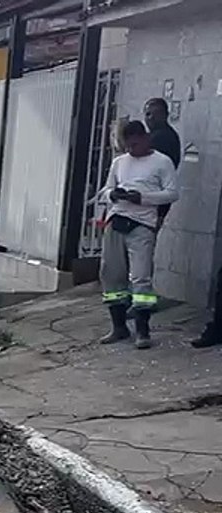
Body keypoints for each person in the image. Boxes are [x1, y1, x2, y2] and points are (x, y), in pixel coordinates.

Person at [96, 120, 179, 349]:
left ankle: (143, 330)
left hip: (142, 223)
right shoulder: (119, 162)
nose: (131, 150)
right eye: (127, 146)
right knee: (111, 274)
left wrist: (142, 198)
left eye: (134, 144)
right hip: (117, 220)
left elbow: (172, 193)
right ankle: (118, 326)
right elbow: (105, 190)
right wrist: (115, 194)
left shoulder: (162, 162)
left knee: (141, 278)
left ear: (145, 138)